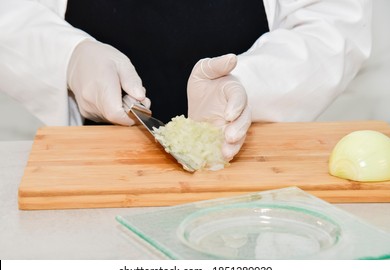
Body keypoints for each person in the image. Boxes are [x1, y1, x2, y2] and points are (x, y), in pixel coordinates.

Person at [0, 0, 372, 160]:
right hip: (92, 163)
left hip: (250, 167)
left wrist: (250, 83)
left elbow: (334, 20)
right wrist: (68, 57)